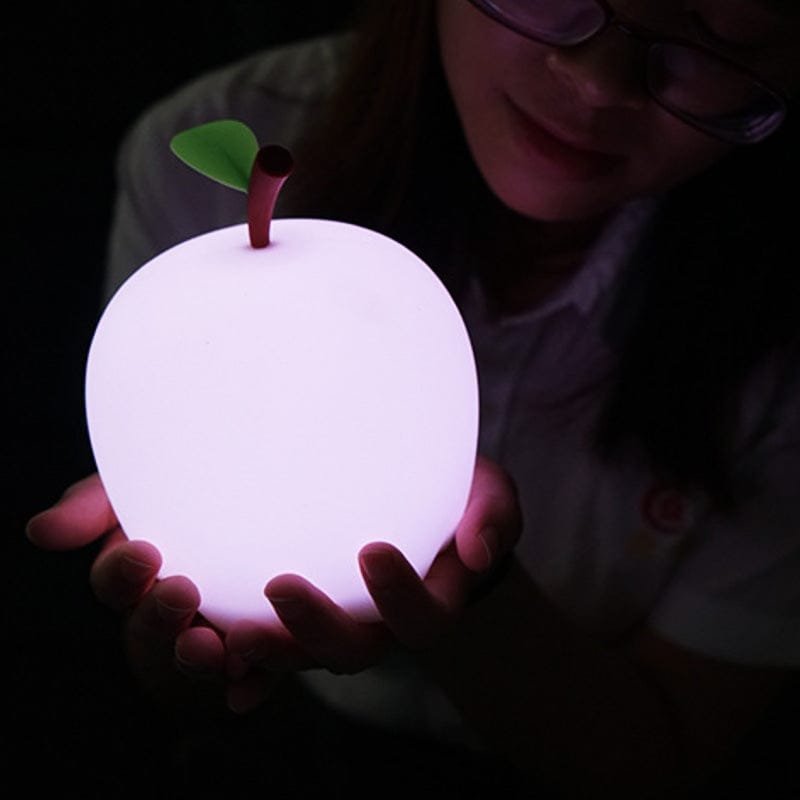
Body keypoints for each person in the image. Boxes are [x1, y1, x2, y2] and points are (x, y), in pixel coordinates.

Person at [26, 1, 800, 797]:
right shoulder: (211, 145)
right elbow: (177, 688)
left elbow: (665, 756)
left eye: (718, 42)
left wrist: (476, 602)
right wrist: (191, 637)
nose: (597, 83)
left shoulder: (777, 329)